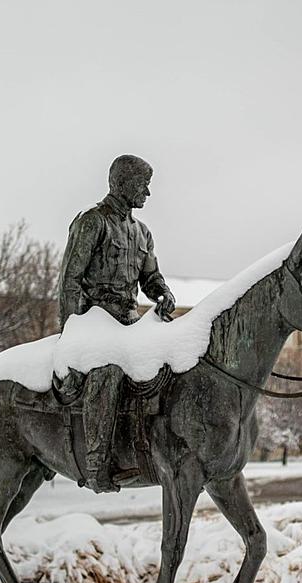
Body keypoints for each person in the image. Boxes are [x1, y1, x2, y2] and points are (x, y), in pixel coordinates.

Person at [56, 154, 176, 491]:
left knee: (170, 365)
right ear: (122, 183)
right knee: (107, 370)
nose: (148, 194)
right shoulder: (92, 222)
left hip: (129, 320)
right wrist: (70, 332)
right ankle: (97, 463)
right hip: (93, 320)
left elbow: (150, 277)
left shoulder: (142, 232)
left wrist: (162, 292)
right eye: (143, 185)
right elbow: (70, 280)